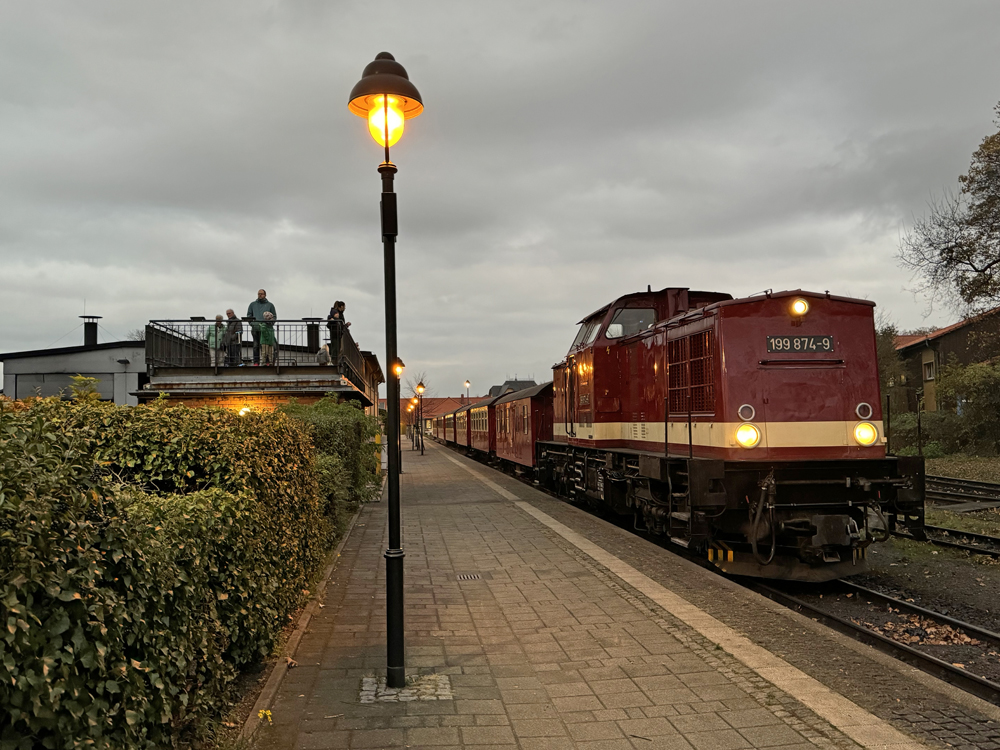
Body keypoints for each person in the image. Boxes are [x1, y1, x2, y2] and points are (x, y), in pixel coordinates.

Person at [247, 289, 276, 365]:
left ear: (265, 295)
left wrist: (269, 323)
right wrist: (253, 324)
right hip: (255, 329)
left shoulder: (270, 305)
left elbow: (274, 317)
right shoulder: (252, 304)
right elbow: (249, 316)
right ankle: (256, 362)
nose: (260, 295)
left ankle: (267, 362)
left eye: (261, 294)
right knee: (256, 345)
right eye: (259, 294)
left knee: (266, 346)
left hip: (266, 329)